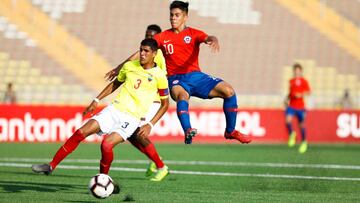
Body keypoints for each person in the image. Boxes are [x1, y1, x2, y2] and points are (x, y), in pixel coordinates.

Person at [106, 1, 251, 145]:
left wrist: (213, 39)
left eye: (177, 15)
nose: (173, 18)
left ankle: (230, 131)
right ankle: (188, 130)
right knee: (182, 96)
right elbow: (141, 52)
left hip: (196, 76)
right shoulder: (163, 36)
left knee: (229, 91)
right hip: (175, 79)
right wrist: (119, 67)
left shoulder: (193, 33)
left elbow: (207, 38)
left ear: (185, 17)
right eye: (171, 15)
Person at [31, 39, 170, 186]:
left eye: (146, 51)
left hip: (131, 118)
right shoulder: (129, 66)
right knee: (80, 132)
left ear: (154, 54)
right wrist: (97, 99)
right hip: (114, 109)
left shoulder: (159, 76)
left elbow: (165, 104)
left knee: (106, 145)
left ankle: (104, 180)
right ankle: (51, 165)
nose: (142, 54)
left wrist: (150, 124)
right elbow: (116, 83)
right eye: (141, 50)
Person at [105, 24, 167, 177]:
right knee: (132, 135)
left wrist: (118, 68)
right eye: (147, 35)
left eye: (152, 36)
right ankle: (157, 162)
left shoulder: (157, 54)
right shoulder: (146, 52)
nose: (149, 38)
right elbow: (131, 58)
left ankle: (160, 165)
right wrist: (118, 69)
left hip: (153, 100)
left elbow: (132, 58)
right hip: (143, 99)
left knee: (139, 133)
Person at [284, 63, 311, 154]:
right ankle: (292, 134)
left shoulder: (304, 81)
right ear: (294, 71)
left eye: (298, 70)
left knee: (301, 125)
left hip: (301, 106)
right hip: (291, 105)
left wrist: (301, 94)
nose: (296, 72)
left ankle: (304, 142)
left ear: (301, 71)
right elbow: (291, 92)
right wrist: (287, 98)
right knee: (288, 121)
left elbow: (309, 92)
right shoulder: (291, 81)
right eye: (295, 70)